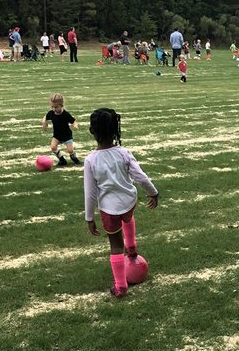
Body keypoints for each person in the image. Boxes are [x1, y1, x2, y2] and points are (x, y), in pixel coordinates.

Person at [84, 108, 159, 299]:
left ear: (92, 131)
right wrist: (153, 192)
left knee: (116, 246)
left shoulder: (91, 160)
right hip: (129, 201)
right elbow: (140, 177)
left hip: (110, 210)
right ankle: (132, 248)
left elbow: (91, 193)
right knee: (129, 217)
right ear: (116, 130)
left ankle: (120, 286)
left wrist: (90, 217)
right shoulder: (123, 152)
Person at [42, 93, 81, 165]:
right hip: (57, 135)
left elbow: (73, 121)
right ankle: (62, 160)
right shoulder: (51, 113)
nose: (54, 109)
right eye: (52, 107)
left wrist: (75, 125)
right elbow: (46, 117)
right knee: (53, 147)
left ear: (61, 105)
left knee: (70, 150)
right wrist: (44, 122)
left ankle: (74, 158)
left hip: (67, 136)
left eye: (56, 107)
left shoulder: (66, 114)